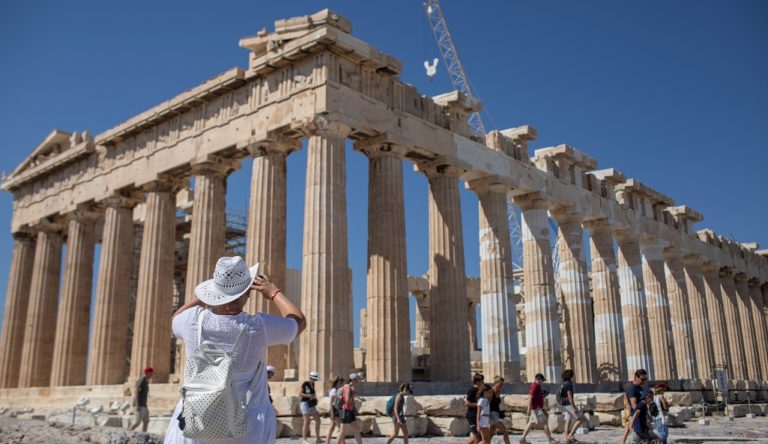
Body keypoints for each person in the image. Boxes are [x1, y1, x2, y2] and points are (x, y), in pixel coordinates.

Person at [163, 256, 306, 444]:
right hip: (245, 425)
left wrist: (204, 297)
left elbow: (176, 317)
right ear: (248, 293)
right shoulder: (258, 327)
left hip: (194, 420)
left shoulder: (191, 321)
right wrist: (273, 292)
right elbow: (298, 322)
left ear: (213, 292)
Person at [520, 373, 557, 444]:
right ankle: (550, 439)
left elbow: (536, 397)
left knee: (530, 423)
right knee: (545, 422)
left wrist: (542, 395)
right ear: (537, 379)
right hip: (536, 408)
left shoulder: (538, 386)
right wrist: (529, 409)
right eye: (541, 380)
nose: (542, 382)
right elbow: (530, 398)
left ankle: (522, 439)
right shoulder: (534, 386)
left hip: (536, 408)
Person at [621, 369, 649, 444]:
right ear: (636, 377)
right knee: (637, 440)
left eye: (645, 379)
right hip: (637, 418)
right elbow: (634, 406)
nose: (644, 381)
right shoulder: (632, 388)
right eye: (642, 379)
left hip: (642, 417)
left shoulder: (640, 388)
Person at [336, 373, 363, 444]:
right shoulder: (348, 388)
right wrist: (353, 394)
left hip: (349, 411)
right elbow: (347, 400)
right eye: (357, 380)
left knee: (356, 429)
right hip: (346, 411)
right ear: (353, 380)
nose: (357, 382)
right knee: (342, 431)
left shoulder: (348, 387)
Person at [560, 369, 584, 444]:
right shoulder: (569, 384)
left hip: (565, 405)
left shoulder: (564, 383)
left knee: (568, 420)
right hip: (569, 404)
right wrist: (574, 406)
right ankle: (570, 435)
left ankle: (566, 438)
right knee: (580, 419)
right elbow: (569, 395)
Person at [128, 367, 153, 432]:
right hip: (140, 405)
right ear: (147, 373)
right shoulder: (141, 380)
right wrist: (137, 405)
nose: (152, 375)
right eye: (151, 373)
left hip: (144, 405)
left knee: (146, 421)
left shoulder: (146, 381)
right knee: (137, 422)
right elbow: (136, 392)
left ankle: (144, 435)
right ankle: (127, 432)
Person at [300, 371, 321, 444]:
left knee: (318, 420)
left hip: (312, 404)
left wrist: (315, 398)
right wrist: (309, 396)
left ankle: (318, 438)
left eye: (315, 379)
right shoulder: (305, 384)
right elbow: (300, 394)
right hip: (305, 404)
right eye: (313, 378)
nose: (314, 380)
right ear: (310, 377)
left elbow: (313, 393)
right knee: (306, 421)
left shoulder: (313, 384)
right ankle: (304, 439)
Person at [464, 373, 485, 444]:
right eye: (482, 381)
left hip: (477, 415)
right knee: (477, 437)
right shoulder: (472, 391)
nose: (483, 383)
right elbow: (467, 403)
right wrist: (478, 405)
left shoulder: (480, 391)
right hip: (472, 415)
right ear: (477, 381)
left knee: (478, 436)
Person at [489, 376, 511, 444]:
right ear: (495, 383)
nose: (501, 386)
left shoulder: (498, 392)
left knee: (490, 435)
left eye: (502, 384)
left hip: (496, 414)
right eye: (500, 384)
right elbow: (487, 404)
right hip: (492, 415)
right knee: (505, 432)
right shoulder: (491, 392)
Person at [325, 376, 345, 443]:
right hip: (334, 410)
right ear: (338, 383)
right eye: (342, 384)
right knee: (341, 429)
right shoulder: (334, 390)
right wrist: (332, 413)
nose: (343, 385)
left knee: (332, 428)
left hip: (335, 410)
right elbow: (331, 403)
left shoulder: (335, 390)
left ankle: (327, 442)